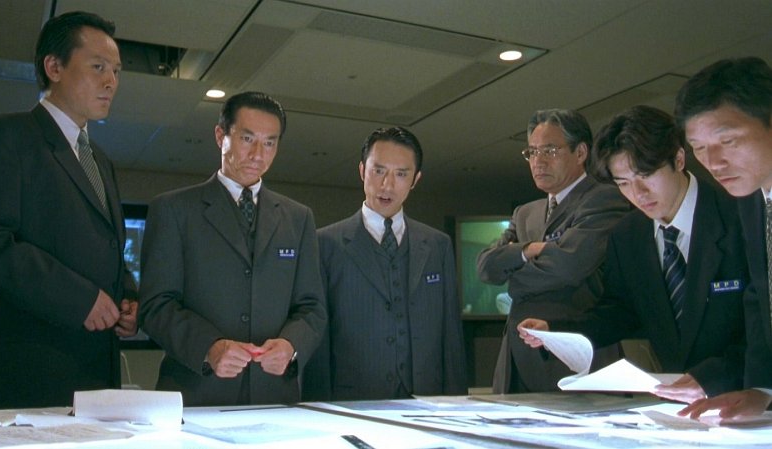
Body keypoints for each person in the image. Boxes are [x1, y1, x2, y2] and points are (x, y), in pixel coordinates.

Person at [0, 11, 137, 410]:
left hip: (98, 374)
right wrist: (78, 298)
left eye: (116, 71)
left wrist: (129, 299)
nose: (111, 82)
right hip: (29, 372)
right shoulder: (4, 135)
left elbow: (104, 249)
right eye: (98, 67)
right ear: (54, 67)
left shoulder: (101, 160)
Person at [518, 105, 746, 403]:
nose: (638, 194)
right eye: (623, 183)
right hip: (679, 402)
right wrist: (557, 331)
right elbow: (620, 313)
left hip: (750, 397)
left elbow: (762, 327)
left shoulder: (740, 218)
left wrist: (714, 378)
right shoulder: (628, 235)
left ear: (678, 159)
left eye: (645, 176)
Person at [138, 91, 326, 406]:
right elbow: (156, 306)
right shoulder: (174, 210)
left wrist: (291, 346)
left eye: (269, 143)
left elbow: (312, 307)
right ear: (220, 136)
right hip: (195, 394)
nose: (258, 154)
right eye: (247, 139)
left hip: (274, 397)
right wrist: (209, 347)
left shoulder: (298, 218)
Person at [302, 127, 466, 400]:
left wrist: (457, 404)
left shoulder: (438, 245)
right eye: (378, 171)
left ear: (415, 179)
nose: (387, 185)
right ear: (362, 170)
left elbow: (451, 338)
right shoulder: (325, 244)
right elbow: (318, 338)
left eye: (401, 174)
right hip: (353, 401)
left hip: (427, 400)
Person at [476, 109, 629, 393]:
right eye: (532, 152)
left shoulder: (603, 199)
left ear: (580, 152)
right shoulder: (525, 213)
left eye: (550, 150)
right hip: (517, 361)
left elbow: (568, 267)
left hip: (573, 361)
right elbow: (486, 267)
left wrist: (513, 273)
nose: (539, 161)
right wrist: (530, 249)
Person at [674, 57, 772, 419]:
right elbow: (761, 296)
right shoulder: (751, 200)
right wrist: (762, 389)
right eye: (699, 148)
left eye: (727, 140)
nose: (713, 162)